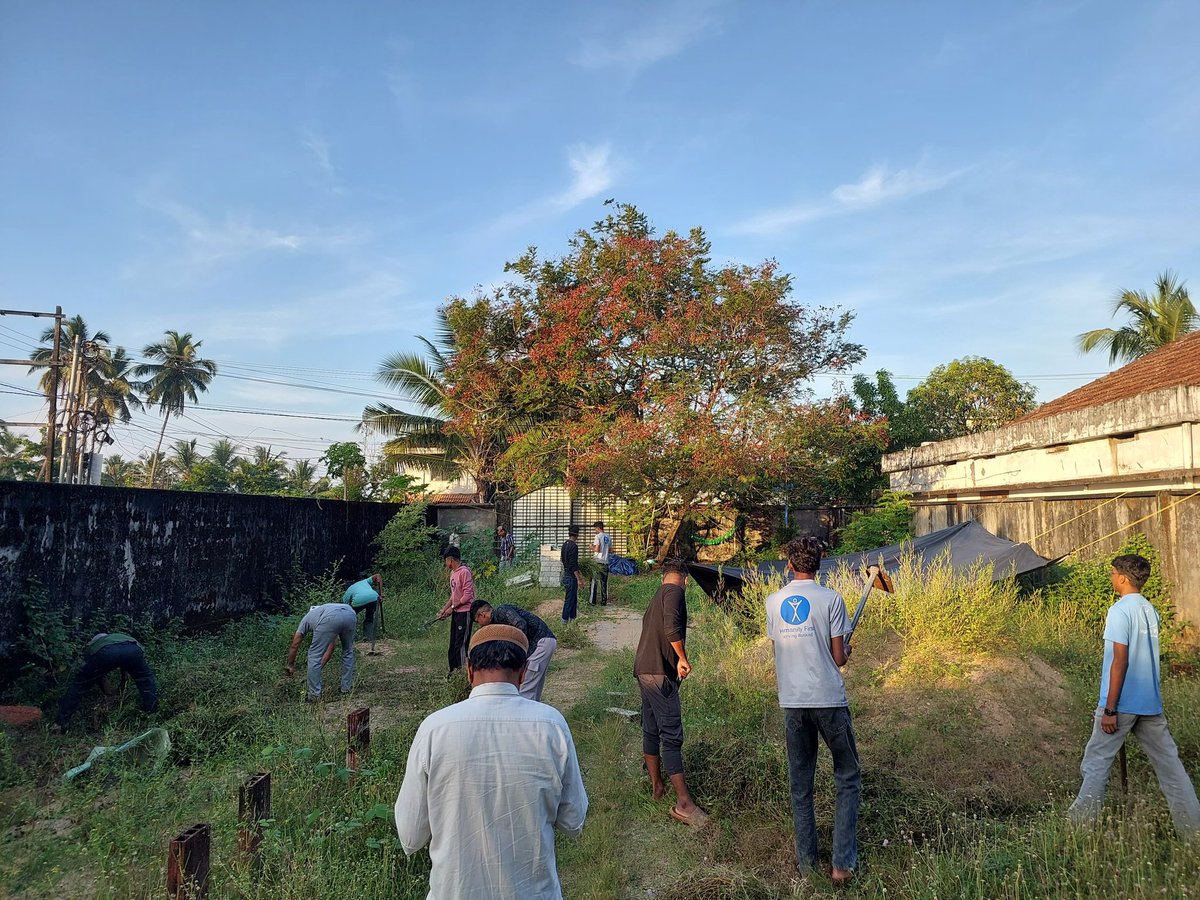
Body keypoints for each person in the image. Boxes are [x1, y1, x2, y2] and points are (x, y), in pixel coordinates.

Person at [394, 624, 588, 899]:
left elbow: (411, 836)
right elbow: (573, 820)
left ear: (469, 670)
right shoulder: (551, 725)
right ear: (523, 672)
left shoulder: (435, 728)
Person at [1067, 553, 1200, 837]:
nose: (1111, 577)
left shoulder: (1119, 611)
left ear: (1123, 578)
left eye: (1113, 573)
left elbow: (1120, 661)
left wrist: (1110, 709)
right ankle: (1193, 830)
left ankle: (1079, 829)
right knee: (1171, 768)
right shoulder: (1150, 610)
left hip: (1122, 703)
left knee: (1096, 762)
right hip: (1150, 704)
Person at [764, 535, 860, 885]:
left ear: (789, 565)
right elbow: (838, 658)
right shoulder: (832, 599)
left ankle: (807, 866)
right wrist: (846, 648)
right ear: (819, 564)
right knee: (847, 775)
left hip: (793, 701)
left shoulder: (773, 602)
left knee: (801, 784)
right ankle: (841, 865)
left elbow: (782, 648)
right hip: (828, 700)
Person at [634, 557, 707, 826]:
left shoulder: (657, 595)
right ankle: (683, 804)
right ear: (685, 580)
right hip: (659, 675)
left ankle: (657, 787)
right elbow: (671, 628)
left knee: (651, 729)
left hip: (644, 670)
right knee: (672, 735)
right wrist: (682, 658)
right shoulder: (675, 592)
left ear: (663, 576)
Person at [53, 632, 158, 730]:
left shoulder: (94, 646)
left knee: (79, 685)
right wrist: (121, 684)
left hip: (107, 653)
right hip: (133, 648)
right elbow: (125, 667)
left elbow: (97, 674)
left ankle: (60, 723)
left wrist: (106, 689)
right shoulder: (118, 637)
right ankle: (152, 716)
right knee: (146, 681)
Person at [470, 599, 558, 701]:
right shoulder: (496, 621)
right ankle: (534, 707)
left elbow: (521, 624)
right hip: (543, 643)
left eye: (478, 621)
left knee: (526, 685)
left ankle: (523, 709)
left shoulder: (501, 611)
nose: (480, 625)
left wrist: (515, 649)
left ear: (482, 615)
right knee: (534, 684)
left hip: (540, 643)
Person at [285, 601, 357, 700]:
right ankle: (346, 688)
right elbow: (331, 647)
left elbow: (295, 645)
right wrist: (318, 667)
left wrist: (290, 664)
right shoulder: (322, 611)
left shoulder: (307, 619)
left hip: (331, 617)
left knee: (314, 655)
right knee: (348, 651)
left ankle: (314, 695)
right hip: (350, 614)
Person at [436, 547, 475, 676]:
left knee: (461, 645)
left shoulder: (465, 572)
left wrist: (452, 608)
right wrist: (444, 609)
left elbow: (467, 596)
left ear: (451, 560)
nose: (445, 564)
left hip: (465, 613)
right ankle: (453, 673)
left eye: (446, 561)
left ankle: (463, 674)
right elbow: (453, 596)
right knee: (453, 644)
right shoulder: (453, 574)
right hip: (456, 613)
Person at [343, 572, 384, 655]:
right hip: (374, 598)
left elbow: (345, 606)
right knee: (369, 618)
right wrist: (381, 593)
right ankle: (368, 638)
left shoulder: (348, 590)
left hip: (359, 600)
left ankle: (353, 638)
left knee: (349, 617)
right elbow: (378, 576)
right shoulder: (364, 581)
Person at [560, 525, 584, 625]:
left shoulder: (564, 545)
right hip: (571, 576)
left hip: (566, 574)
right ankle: (564, 620)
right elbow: (573, 564)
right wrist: (579, 579)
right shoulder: (574, 546)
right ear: (577, 535)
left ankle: (573, 619)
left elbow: (563, 560)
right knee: (570, 599)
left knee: (573, 599)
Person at [590, 520, 612, 606]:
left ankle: (593, 601)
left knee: (594, 582)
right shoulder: (608, 537)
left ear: (598, 528)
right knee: (604, 582)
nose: (595, 530)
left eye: (595, 529)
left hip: (597, 562)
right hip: (605, 562)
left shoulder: (597, 536)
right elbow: (610, 550)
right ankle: (603, 601)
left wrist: (591, 547)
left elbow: (597, 549)